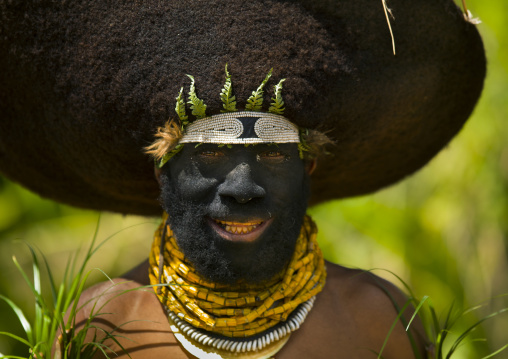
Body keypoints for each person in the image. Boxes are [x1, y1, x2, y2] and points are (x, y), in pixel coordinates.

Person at [0, 0, 485, 358]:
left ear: (308, 169)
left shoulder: (380, 319)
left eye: (273, 155)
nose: (242, 188)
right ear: (161, 171)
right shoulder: (105, 326)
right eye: (209, 153)